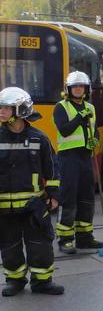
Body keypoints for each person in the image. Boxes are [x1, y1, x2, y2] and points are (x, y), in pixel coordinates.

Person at [0, 87, 64, 296]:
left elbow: (52, 168)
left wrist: (54, 196)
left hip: (34, 206)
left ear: (20, 110)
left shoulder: (39, 138)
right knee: (10, 246)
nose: (1, 111)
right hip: (4, 208)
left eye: (5, 108)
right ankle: (15, 280)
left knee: (40, 245)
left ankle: (42, 282)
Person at [53, 71, 103, 255]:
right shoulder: (61, 107)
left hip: (85, 157)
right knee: (69, 198)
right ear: (69, 89)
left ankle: (85, 238)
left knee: (86, 197)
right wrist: (79, 117)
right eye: (75, 86)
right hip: (68, 158)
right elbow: (65, 130)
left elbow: (95, 130)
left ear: (86, 89)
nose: (78, 89)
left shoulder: (90, 107)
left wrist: (95, 141)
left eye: (81, 86)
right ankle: (65, 239)